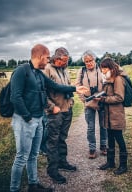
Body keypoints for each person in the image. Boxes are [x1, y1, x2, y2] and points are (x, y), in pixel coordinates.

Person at [9, 44, 88, 192]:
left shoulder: (38, 73)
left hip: (38, 119)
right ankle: (14, 189)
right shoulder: (21, 71)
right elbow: (15, 97)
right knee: (21, 157)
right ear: (40, 56)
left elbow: (56, 86)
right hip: (26, 120)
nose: (48, 60)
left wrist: (75, 89)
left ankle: (33, 185)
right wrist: (28, 118)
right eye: (47, 57)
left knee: (33, 155)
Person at [42, 47, 76, 184]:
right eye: (64, 61)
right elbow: (42, 92)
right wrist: (51, 107)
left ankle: (62, 162)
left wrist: (71, 101)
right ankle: (53, 170)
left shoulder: (65, 69)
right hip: (55, 112)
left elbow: (68, 85)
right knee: (53, 141)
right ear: (56, 59)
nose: (66, 63)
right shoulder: (47, 69)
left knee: (62, 138)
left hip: (67, 109)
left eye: (67, 60)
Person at [97, 58, 128, 175]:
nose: (103, 71)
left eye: (104, 68)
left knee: (119, 139)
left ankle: (123, 166)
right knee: (110, 138)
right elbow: (106, 93)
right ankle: (110, 162)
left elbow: (120, 97)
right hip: (108, 115)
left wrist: (104, 99)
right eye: (102, 69)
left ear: (111, 68)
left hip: (116, 115)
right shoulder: (109, 79)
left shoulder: (118, 79)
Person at [75, 50, 107, 159]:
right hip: (89, 103)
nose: (88, 63)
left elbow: (108, 84)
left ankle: (103, 146)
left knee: (103, 125)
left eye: (90, 60)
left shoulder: (102, 69)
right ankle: (92, 148)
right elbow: (78, 86)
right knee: (90, 127)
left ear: (95, 59)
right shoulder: (82, 71)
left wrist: (103, 97)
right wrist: (84, 100)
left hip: (102, 101)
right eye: (86, 61)